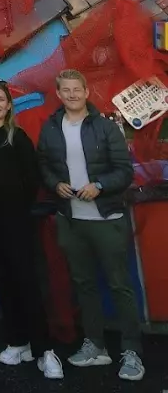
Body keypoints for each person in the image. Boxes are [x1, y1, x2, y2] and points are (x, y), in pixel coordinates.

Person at [36, 69, 143, 381]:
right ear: (59, 94)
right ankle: (95, 345)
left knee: (119, 285)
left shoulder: (105, 127)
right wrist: (55, 184)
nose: (72, 95)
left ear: (86, 92)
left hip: (106, 218)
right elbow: (44, 165)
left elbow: (124, 171)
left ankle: (132, 351)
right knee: (83, 284)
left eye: (77, 89)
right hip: (71, 219)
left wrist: (99, 185)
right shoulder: (51, 128)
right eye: (66, 90)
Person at [0, 81, 63, 379]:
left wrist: (15, 210)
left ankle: (44, 350)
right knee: (3, 282)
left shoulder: (18, 138)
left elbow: (32, 180)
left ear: (8, 104)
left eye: (1, 99)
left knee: (27, 282)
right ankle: (18, 341)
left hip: (16, 222)